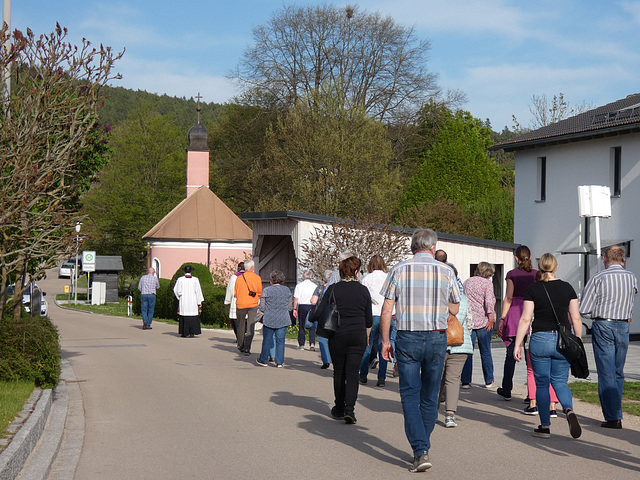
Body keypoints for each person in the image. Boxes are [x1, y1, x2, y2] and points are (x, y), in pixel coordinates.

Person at [380, 228, 460, 473]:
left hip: (408, 337)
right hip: (437, 338)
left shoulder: (399, 269)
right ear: (433, 248)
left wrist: (385, 341)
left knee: (409, 395)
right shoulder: (446, 271)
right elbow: (455, 309)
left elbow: (386, 309)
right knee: (430, 395)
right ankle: (422, 446)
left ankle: (420, 449)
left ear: (412, 247)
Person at [513, 253, 582, 439]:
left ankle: (545, 426)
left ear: (540, 268)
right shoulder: (567, 288)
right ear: (556, 267)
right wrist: (578, 341)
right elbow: (575, 317)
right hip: (563, 341)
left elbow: (526, 318)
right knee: (560, 381)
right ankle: (568, 409)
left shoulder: (533, 288)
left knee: (542, 383)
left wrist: (517, 344)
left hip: (540, 339)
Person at [579, 245, 637, 429]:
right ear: (623, 259)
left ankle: (613, 416)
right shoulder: (632, 278)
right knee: (618, 371)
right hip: (623, 324)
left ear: (605, 259)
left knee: (606, 372)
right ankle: (616, 411)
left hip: (604, 323)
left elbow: (584, 309)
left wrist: (599, 312)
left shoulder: (598, 278)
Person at [313, 256, 372, 425]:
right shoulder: (363, 290)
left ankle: (339, 407)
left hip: (338, 334)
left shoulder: (333, 288)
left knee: (339, 372)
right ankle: (350, 410)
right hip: (357, 335)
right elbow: (368, 319)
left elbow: (319, 313)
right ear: (356, 272)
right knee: (353, 373)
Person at [496, 246, 537, 400]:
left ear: (516, 258)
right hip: (531, 311)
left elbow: (509, 297)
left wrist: (502, 318)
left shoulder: (512, 274)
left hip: (515, 314)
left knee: (511, 353)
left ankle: (507, 388)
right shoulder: (536, 274)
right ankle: (531, 393)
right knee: (530, 356)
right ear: (530, 257)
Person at [359, 255, 395, 387]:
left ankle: (363, 375)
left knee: (367, 345)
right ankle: (381, 378)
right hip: (387, 314)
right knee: (384, 346)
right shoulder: (389, 277)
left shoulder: (367, 278)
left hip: (372, 314)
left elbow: (364, 297)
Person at [461, 262, 496, 389]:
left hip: (469, 321)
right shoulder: (487, 284)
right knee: (485, 351)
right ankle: (488, 379)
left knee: (467, 352)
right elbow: (489, 302)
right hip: (483, 321)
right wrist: (491, 317)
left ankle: (465, 380)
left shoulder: (467, 282)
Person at [256, 270, 293, 368]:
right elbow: (289, 307)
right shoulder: (287, 290)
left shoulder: (267, 290)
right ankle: (279, 361)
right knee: (280, 340)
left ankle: (263, 360)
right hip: (283, 318)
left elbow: (262, 307)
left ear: (272, 280)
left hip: (269, 318)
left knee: (267, 340)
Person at [234, 259, 263, 355]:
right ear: (252, 268)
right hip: (253, 304)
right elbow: (259, 292)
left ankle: (240, 344)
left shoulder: (239, 278)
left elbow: (236, 293)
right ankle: (247, 347)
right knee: (251, 326)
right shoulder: (257, 278)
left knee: (241, 325)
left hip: (241, 304)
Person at [310, 269, 333, 369]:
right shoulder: (334, 288)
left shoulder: (319, 288)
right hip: (333, 314)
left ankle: (326, 360)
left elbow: (313, 301)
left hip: (322, 314)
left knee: (322, 338)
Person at [173, 265, 204, 338]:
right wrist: (199, 302)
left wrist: (179, 296)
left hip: (184, 300)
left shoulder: (180, 279)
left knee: (184, 316)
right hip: (193, 300)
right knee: (192, 316)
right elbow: (198, 291)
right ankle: (192, 332)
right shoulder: (195, 280)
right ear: (191, 271)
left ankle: (184, 332)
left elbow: (176, 290)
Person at [293, 270, 318, 351]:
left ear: (303, 277)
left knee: (302, 325)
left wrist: (294, 308)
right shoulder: (314, 286)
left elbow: (296, 298)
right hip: (312, 306)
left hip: (302, 306)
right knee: (312, 326)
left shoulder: (299, 286)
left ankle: (301, 344)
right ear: (311, 277)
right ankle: (312, 343)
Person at [224, 262, 245, 336]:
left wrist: (227, 300)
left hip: (236, 300)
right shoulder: (250, 276)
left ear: (239, 268)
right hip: (247, 301)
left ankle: (239, 337)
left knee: (236, 321)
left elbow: (230, 289)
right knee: (245, 320)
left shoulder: (234, 277)